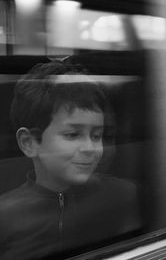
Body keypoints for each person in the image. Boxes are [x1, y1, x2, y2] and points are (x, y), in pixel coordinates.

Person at [0, 61, 141, 259]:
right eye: (73, 134)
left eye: (97, 135)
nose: (91, 148)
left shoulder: (124, 196)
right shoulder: (6, 216)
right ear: (29, 142)